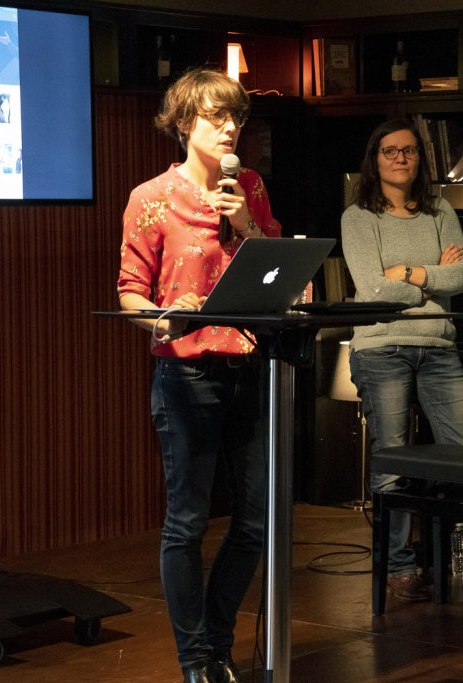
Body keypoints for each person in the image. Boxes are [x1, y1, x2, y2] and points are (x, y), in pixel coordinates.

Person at [117, 67, 280, 683]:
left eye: (236, 116)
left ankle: (216, 639)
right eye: (217, 116)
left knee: (256, 522)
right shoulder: (151, 197)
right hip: (186, 374)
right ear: (185, 123)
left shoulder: (252, 187)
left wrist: (246, 226)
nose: (231, 126)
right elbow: (131, 294)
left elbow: (280, 273)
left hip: (249, 363)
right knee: (186, 522)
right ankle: (195, 660)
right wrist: (163, 317)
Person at [341, 118, 463, 602]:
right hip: (382, 347)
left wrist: (411, 272)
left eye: (410, 151)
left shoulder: (440, 211)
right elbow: (373, 288)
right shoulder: (358, 216)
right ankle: (397, 566)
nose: (401, 158)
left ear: (421, 159)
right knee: (393, 457)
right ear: (374, 160)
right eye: (390, 150)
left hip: (439, 347)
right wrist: (434, 276)